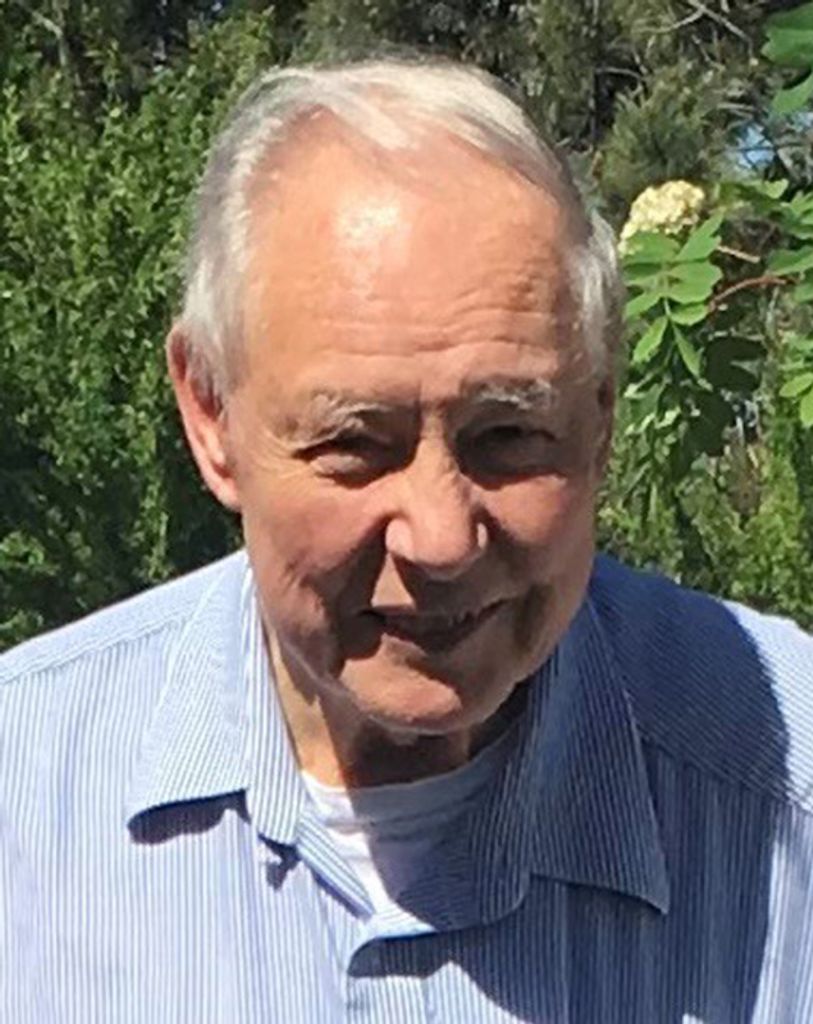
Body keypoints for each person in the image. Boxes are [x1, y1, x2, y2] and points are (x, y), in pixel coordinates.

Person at [2, 58, 812, 1024]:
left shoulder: (784, 791)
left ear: (599, 416)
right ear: (211, 415)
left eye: (506, 435)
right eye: (355, 443)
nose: (440, 539)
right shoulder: (27, 805)